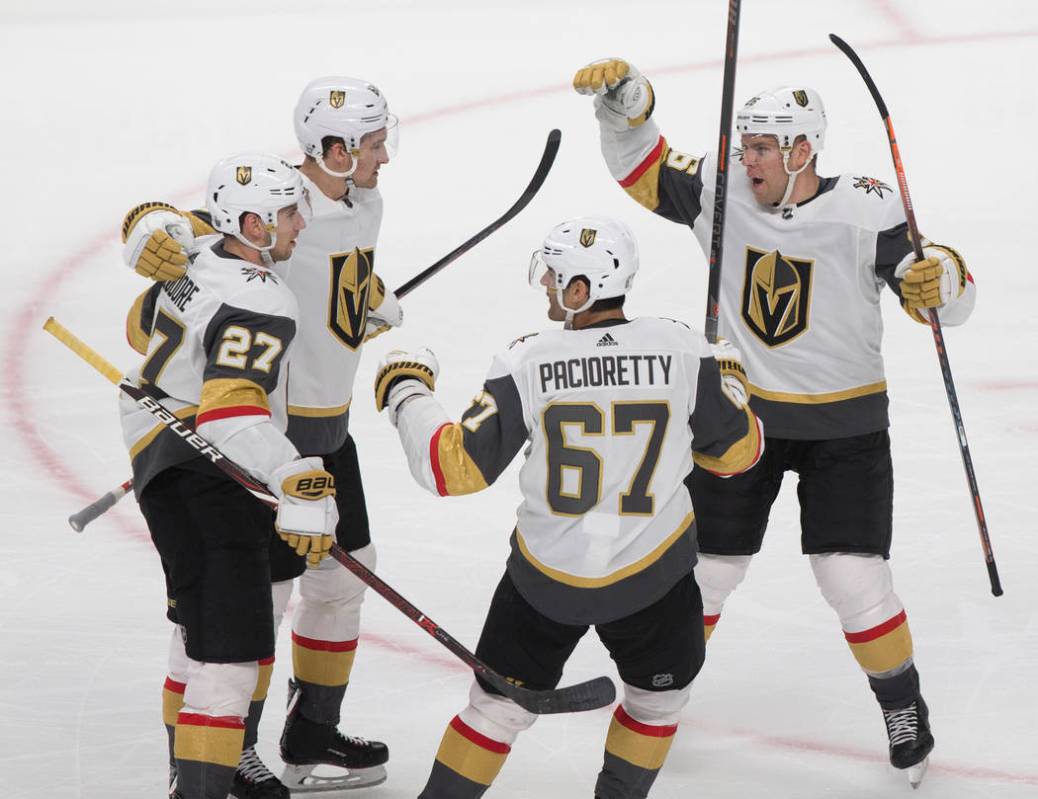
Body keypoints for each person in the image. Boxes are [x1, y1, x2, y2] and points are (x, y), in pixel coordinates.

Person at [573, 58, 977, 785]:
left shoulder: (864, 206)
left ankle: (902, 702)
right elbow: (644, 170)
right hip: (741, 421)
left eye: (762, 146)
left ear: (802, 152)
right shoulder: (721, 192)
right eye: (745, 142)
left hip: (846, 428)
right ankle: (659, 694)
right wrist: (626, 108)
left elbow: (933, 290)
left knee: (853, 577)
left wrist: (941, 275)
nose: (746, 156)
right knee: (703, 575)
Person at [372, 217, 763, 798]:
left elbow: (450, 470)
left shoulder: (527, 361)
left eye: (556, 274)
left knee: (494, 712)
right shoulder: (681, 348)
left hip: (543, 586)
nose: (548, 284)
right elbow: (737, 456)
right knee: (657, 704)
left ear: (581, 288)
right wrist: (730, 382)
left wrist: (405, 390)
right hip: (654, 581)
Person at [120, 76, 400, 796]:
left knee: (343, 578)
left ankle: (310, 735)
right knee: (256, 599)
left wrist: (359, 294)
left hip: (328, 425)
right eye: (372, 145)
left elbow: (325, 269)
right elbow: (186, 227)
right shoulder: (281, 202)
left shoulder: (363, 201)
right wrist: (147, 222)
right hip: (269, 432)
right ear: (333, 151)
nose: (384, 156)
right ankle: (226, 754)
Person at [119, 153, 339, 799]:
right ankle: (199, 785)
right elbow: (228, 410)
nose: (303, 221)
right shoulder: (261, 293)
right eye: (290, 212)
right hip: (208, 472)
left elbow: (138, 331)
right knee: (229, 661)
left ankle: (192, 772)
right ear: (253, 221)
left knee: (204, 634)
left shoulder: (197, 257)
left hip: (169, 457)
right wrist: (293, 471)